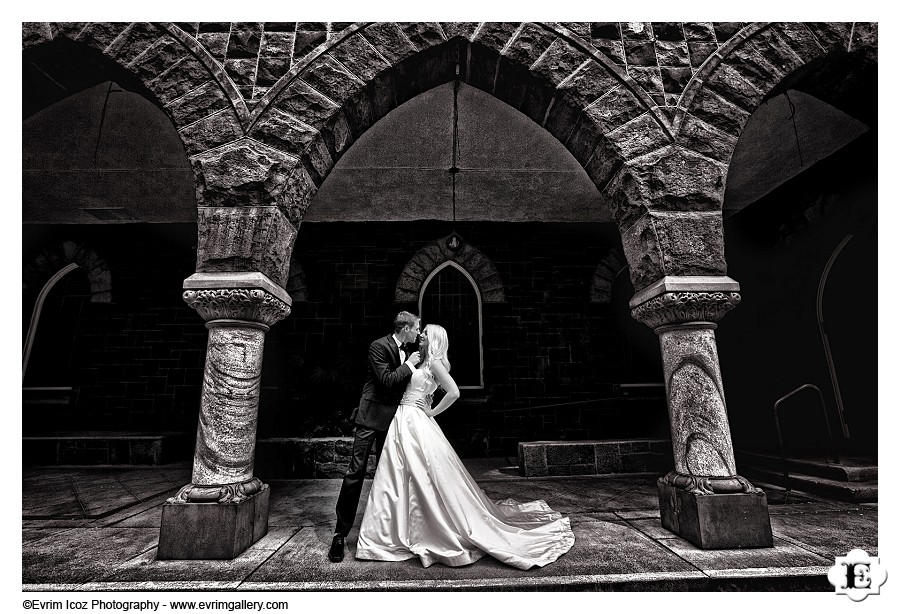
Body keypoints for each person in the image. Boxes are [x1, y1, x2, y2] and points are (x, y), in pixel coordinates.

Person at [355, 324, 575, 569]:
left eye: (426, 333)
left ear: (435, 338)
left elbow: (454, 392)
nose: (422, 335)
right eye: (421, 331)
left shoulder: (435, 362)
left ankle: (428, 529)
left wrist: (431, 411)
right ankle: (393, 530)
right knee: (397, 476)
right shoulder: (418, 361)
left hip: (416, 420)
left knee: (423, 475)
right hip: (401, 420)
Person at [329, 311, 426, 563]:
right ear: (405, 328)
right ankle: (340, 534)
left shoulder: (411, 351)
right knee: (356, 471)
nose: (418, 333)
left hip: (395, 421)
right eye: (416, 328)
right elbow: (386, 379)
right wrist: (409, 364)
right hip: (371, 418)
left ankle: (386, 533)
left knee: (390, 476)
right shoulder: (379, 346)